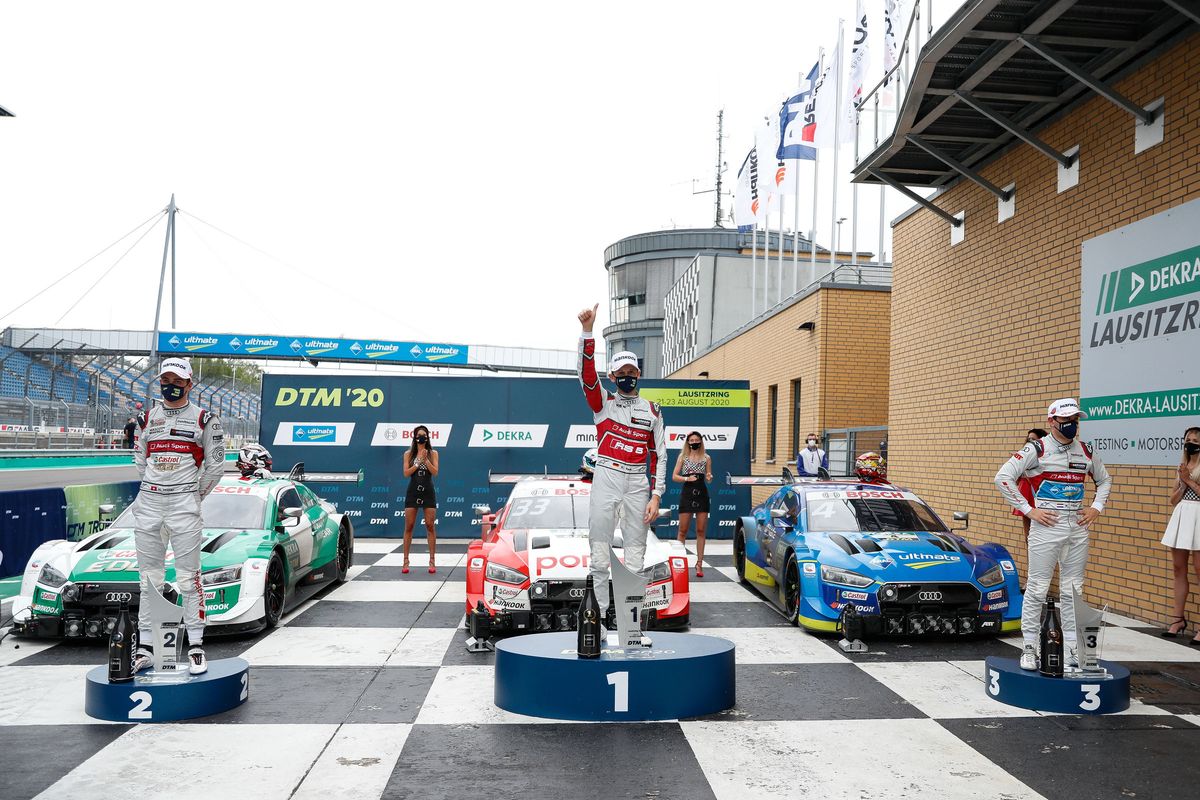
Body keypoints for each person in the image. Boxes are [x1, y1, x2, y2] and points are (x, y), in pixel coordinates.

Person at [995, 398, 1112, 672]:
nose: (1072, 425)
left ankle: (1073, 650)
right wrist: (1028, 510)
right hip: (1046, 526)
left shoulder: (1086, 450)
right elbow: (1002, 477)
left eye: (1076, 420)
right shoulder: (1037, 448)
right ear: (1052, 421)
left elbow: (1105, 479)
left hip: (1078, 527)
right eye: (1066, 420)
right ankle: (1029, 648)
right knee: (1037, 588)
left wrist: (1096, 507)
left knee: (1074, 590)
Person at [131, 357, 224, 675]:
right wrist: (155, 488)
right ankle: (144, 648)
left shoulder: (204, 419)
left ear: (189, 383)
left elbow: (215, 466)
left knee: (189, 578)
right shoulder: (145, 419)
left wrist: (193, 495)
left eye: (176, 380)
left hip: (184, 504)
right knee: (149, 581)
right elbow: (140, 461)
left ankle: (196, 646)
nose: (169, 385)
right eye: (164, 379)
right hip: (149, 504)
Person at [577, 303, 666, 624]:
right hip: (607, 478)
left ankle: (630, 619)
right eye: (621, 373)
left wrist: (657, 495)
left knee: (636, 556)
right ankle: (598, 616)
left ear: (639, 374)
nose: (627, 377)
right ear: (612, 376)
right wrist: (588, 332)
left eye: (632, 372)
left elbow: (659, 455)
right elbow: (586, 377)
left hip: (638, 485)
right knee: (599, 552)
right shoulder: (602, 403)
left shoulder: (653, 410)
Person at [1161, 426, 1200, 642]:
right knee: (1178, 569)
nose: (1190, 443)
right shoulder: (1183, 465)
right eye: (1188, 439)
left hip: (1199, 516)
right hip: (1182, 513)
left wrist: (1190, 480)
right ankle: (1177, 619)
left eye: (1195, 440)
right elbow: (1172, 500)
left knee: (1199, 570)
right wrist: (1183, 482)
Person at [673, 431, 713, 578]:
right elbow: (674, 476)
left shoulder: (707, 458)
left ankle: (699, 564)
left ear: (701, 441)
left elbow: (709, 478)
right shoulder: (682, 457)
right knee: (682, 530)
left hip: (702, 493)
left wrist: (709, 477)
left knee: (701, 530)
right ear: (688, 442)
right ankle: (679, 564)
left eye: (697, 439)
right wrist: (686, 479)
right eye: (692, 440)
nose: (694, 442)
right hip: (687, 493)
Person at [401, 425, 439, 575]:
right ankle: (405, 560)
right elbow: (406, 473)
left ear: (428, 437)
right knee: (409, 526)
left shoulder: (433, 453)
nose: (422, 437)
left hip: (428, 491)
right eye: (419, 435)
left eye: (424, 435)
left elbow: (435, 472)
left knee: (430, 526)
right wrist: (417, 462)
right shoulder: (408, 454)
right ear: (415, 437)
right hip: (413, 491)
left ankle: (432, 560)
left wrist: (426, 460)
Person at [1012, 428, 1049, 539]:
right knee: (1027, 530)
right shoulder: (1024, 454)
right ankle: (1030, 552)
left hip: (1039, 490)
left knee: (1041, 526)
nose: (1029, 441)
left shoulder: (1046, 455)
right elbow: (1015, 479)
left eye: (1033, 439)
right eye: (1028, 439)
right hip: (1026, 490)